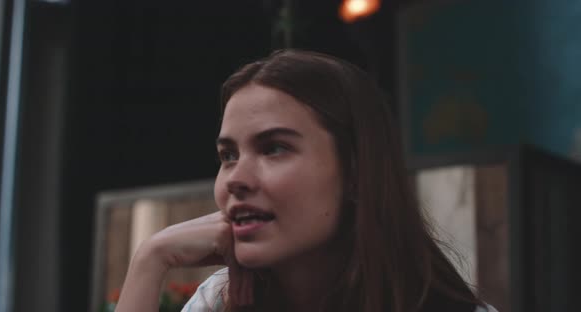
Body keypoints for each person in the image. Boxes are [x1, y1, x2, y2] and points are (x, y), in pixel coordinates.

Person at [115, 50, 497, 312]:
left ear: (355, 172)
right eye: (228, 155)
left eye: (274, 148)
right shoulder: (220, 301)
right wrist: (150, 259)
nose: (237, 179)